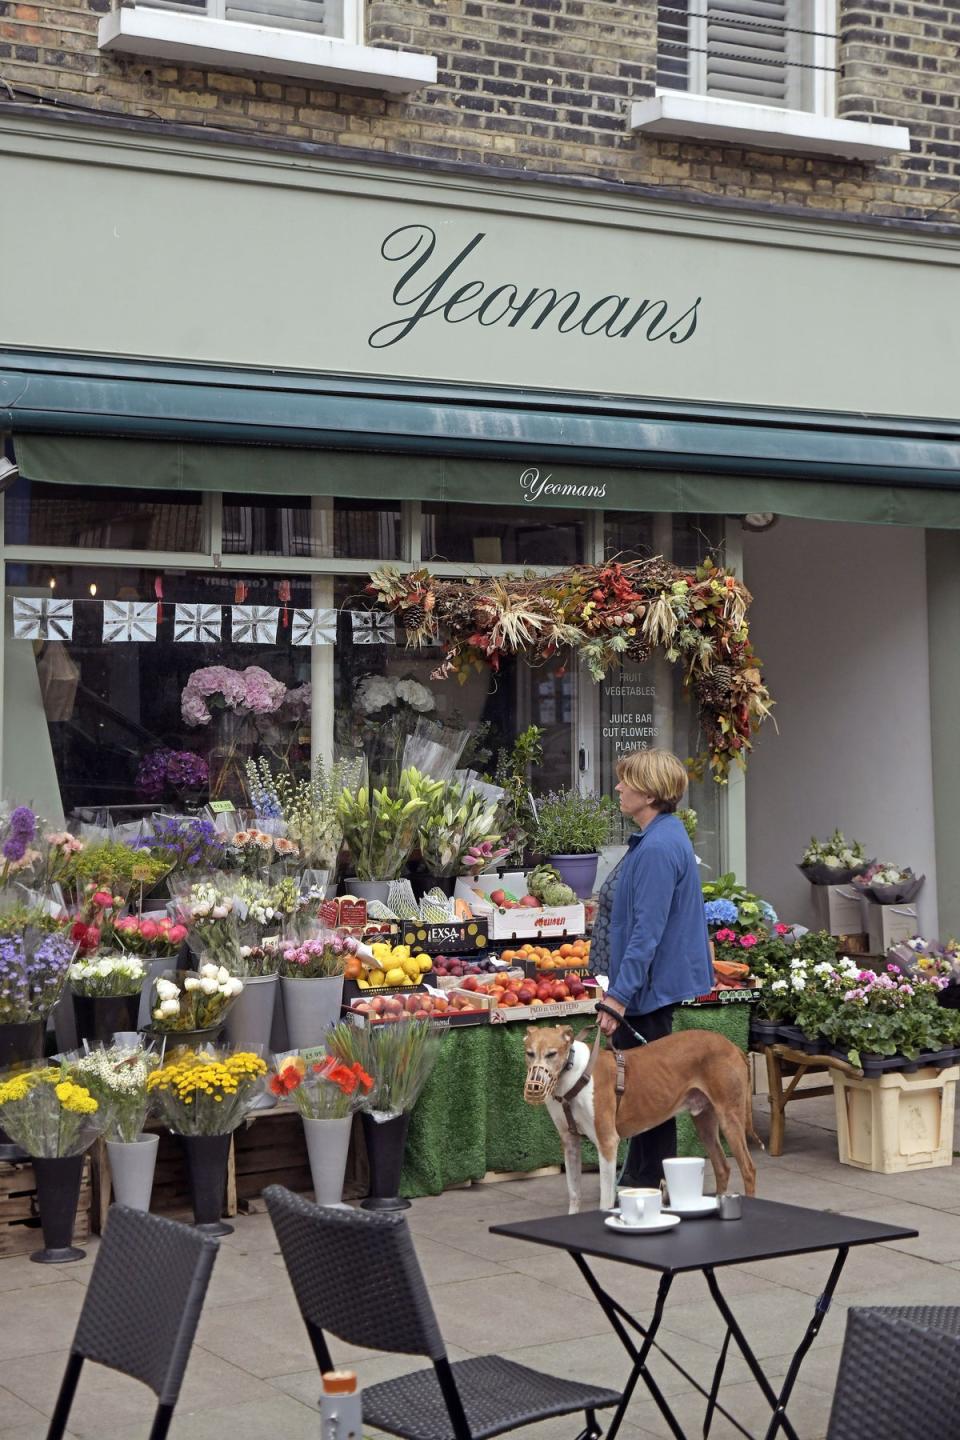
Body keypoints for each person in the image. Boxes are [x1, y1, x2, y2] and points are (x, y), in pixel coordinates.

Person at [592, 748, 713, 1189]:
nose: (619, 788)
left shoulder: (660, 846)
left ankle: (648, 1183)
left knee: (651, 1088)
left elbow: (647, 933)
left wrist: (618, 997)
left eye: (627, 781)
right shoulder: (659, 837)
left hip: (646, 988)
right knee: (648, 1085)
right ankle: (644, 1179)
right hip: (644, 984)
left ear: (651, 792)